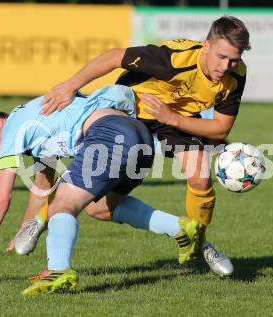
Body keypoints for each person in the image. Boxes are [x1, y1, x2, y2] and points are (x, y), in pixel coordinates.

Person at [36, 16, 250, 272]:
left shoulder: (236, 76)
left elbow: (220, 127)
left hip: (174, 118)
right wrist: (70, 86)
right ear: (206, 46)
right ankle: (40, 217)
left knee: (201, 179)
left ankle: (198, 243)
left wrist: (171, 118)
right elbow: (114, 56)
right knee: (97, 200)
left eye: (233, 59)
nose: (225, 66)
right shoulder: (174, 58)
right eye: (221, 57)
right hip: (132, 109)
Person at [0, 85, 207, 291]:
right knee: (99, 208)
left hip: (108, 133)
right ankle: (180, 228)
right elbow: (43, 185)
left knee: (64, 204)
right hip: (138, 137)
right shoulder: (35, 126)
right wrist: (27, 228)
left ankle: (58, 270)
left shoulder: (14, 125)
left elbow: (2, 196)